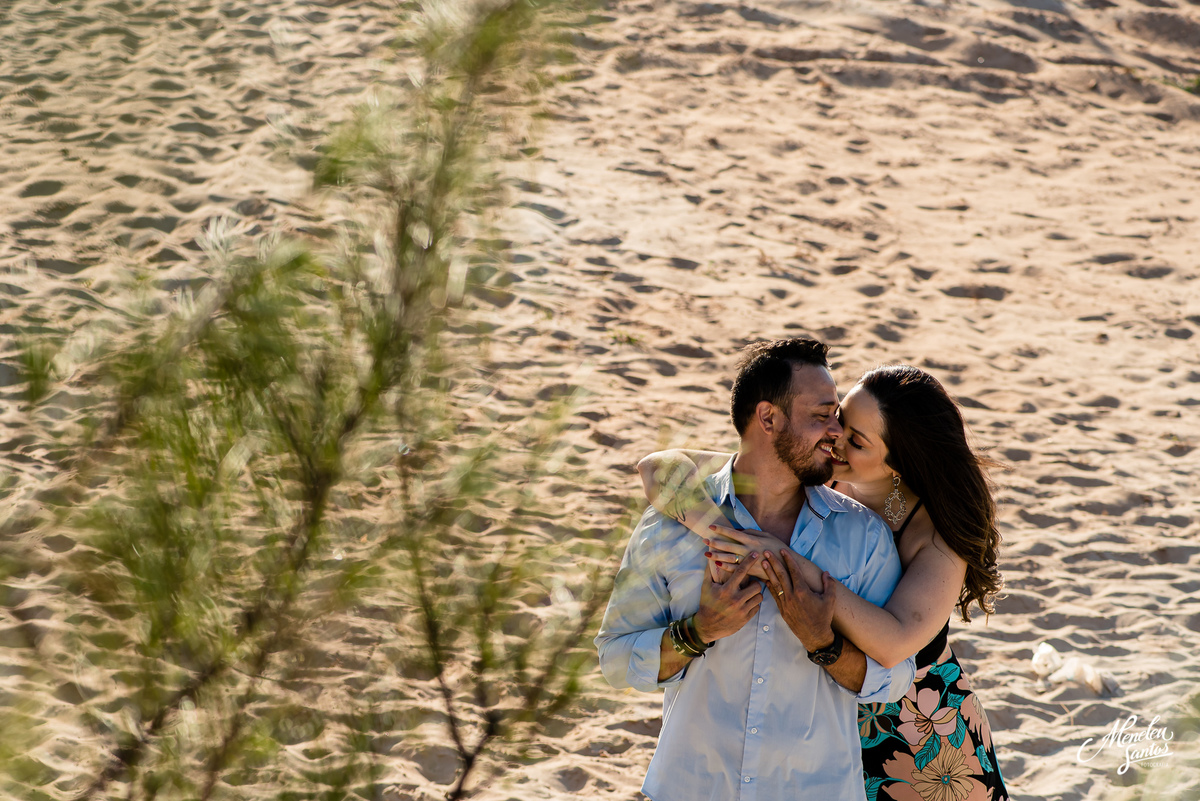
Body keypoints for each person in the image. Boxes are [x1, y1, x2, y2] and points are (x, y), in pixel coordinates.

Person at [639, 364, 1009, 800]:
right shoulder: (821, 475)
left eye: (856, 440)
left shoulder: (934, 536)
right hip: (820, 735)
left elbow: (893, 643)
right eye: (838, 420)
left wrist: (783, 559)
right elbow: (657, 468)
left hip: (920, 737)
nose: (834, 438)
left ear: (899, 464)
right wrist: (726, 537)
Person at [596, 338, 916, 801]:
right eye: (822, 415)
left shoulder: (863, 536)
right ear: (768, 418)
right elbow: (615, 660)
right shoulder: (670, 525)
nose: (836, 432)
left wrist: (824, 645)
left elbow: (897, 679)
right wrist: (698, 632)